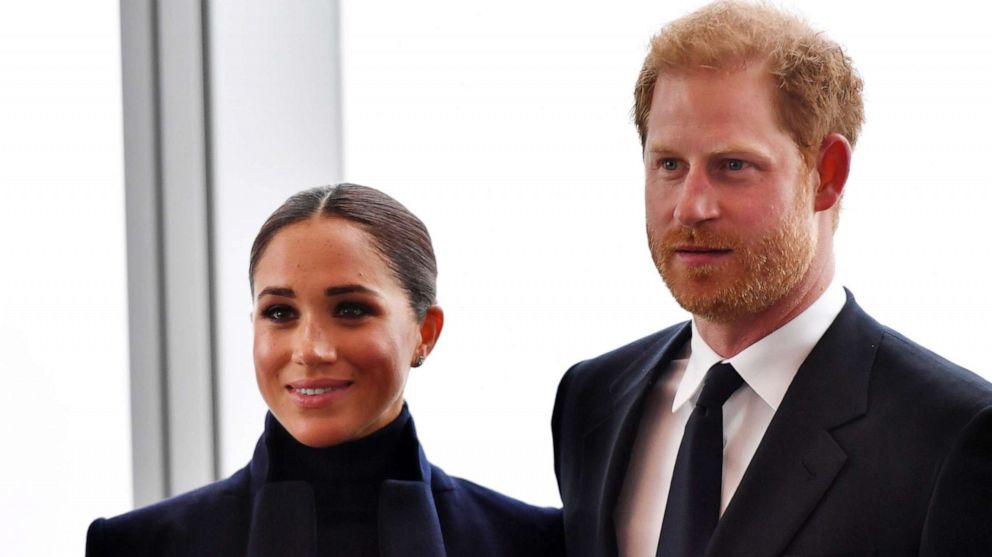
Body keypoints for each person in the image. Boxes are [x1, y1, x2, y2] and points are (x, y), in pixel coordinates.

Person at [551, 2, 992, 556]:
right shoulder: (591, 399)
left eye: (733, 165)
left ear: (826, 176)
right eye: (669, 165)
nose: (690, 207)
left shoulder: (952, 436)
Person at [87, 183, 563, 557]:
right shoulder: (137, 546)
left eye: (351, 310)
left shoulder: (534, 543)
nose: (311, 349)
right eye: (279, 313)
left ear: (425, 331)